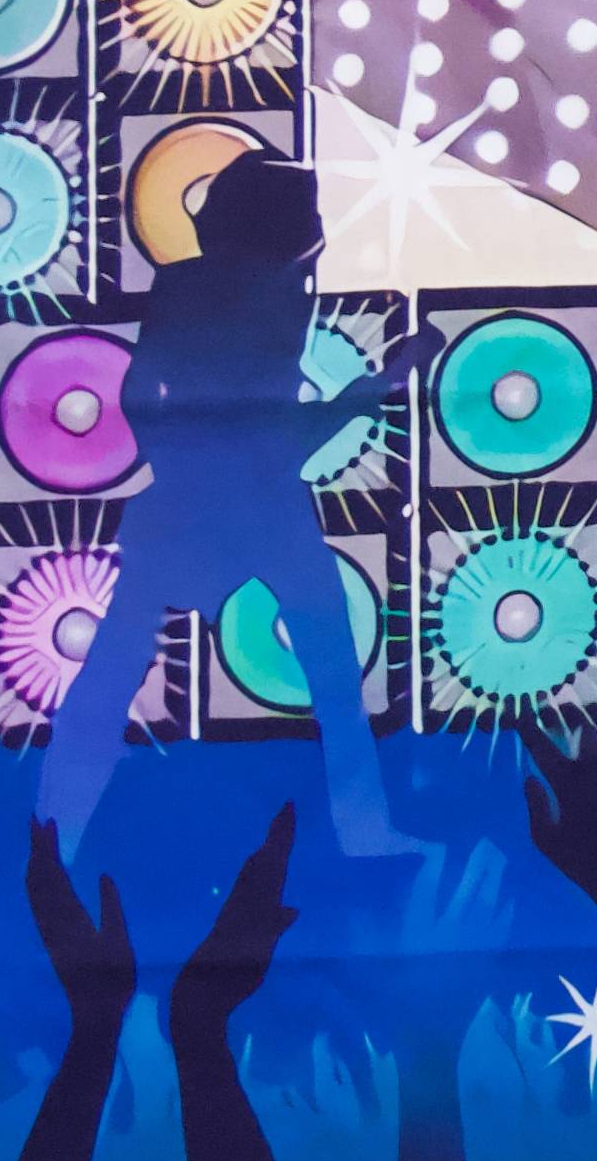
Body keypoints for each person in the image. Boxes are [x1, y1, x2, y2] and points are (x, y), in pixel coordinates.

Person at [34, 158, 416, 865]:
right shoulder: (271, 294)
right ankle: (364, 831)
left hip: (212, 505)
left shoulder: (190, 285)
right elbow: (260, 428)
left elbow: (147, 394)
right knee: (331, 678)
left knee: (115, 669)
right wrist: (368, 394)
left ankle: (53, 829)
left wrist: (179, 464)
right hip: (258, 507)